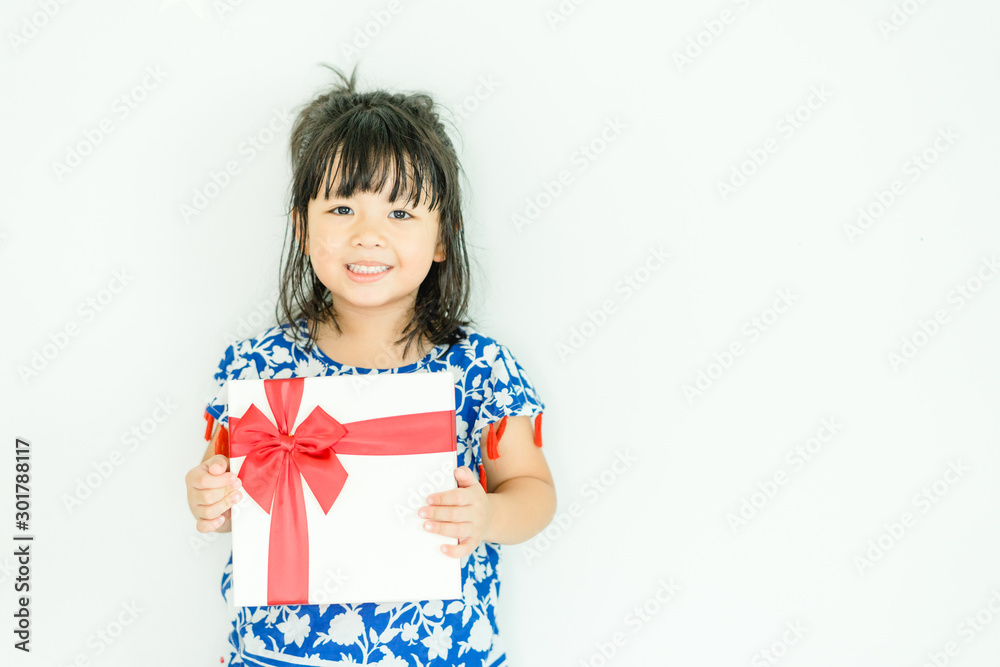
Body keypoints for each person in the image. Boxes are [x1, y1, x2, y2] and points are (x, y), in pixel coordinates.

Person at [184, 62, 557, 666]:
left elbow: (535, 493)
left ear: (443, 239)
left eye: (401, 214)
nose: (368, 235)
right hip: (280, 654)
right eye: (341, 210)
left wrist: (488, 514)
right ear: (303, 228)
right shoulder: (258, 364)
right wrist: (209, 499)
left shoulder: (480, 367)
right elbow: (228, 499)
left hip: (441, 653)